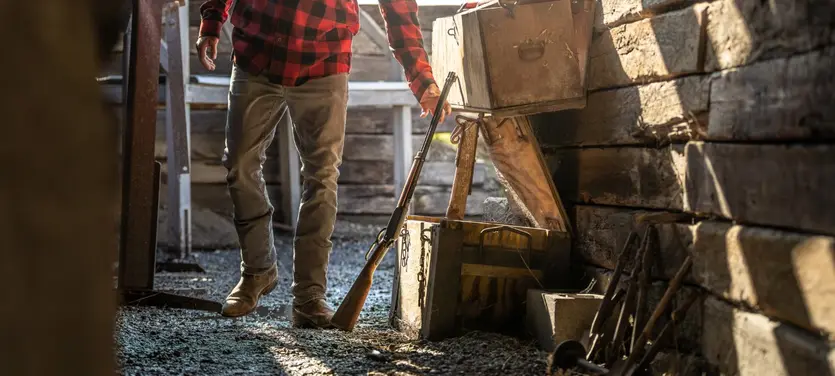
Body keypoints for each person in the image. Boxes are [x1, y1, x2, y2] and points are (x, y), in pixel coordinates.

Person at [195, 0, 451, 328]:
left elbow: (398, 7)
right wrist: (212, 21)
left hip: (324, 61)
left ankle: (309, 297)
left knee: (322, 175)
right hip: (256, 54)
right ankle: (257, 272)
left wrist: (420, 77)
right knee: (239, 164)